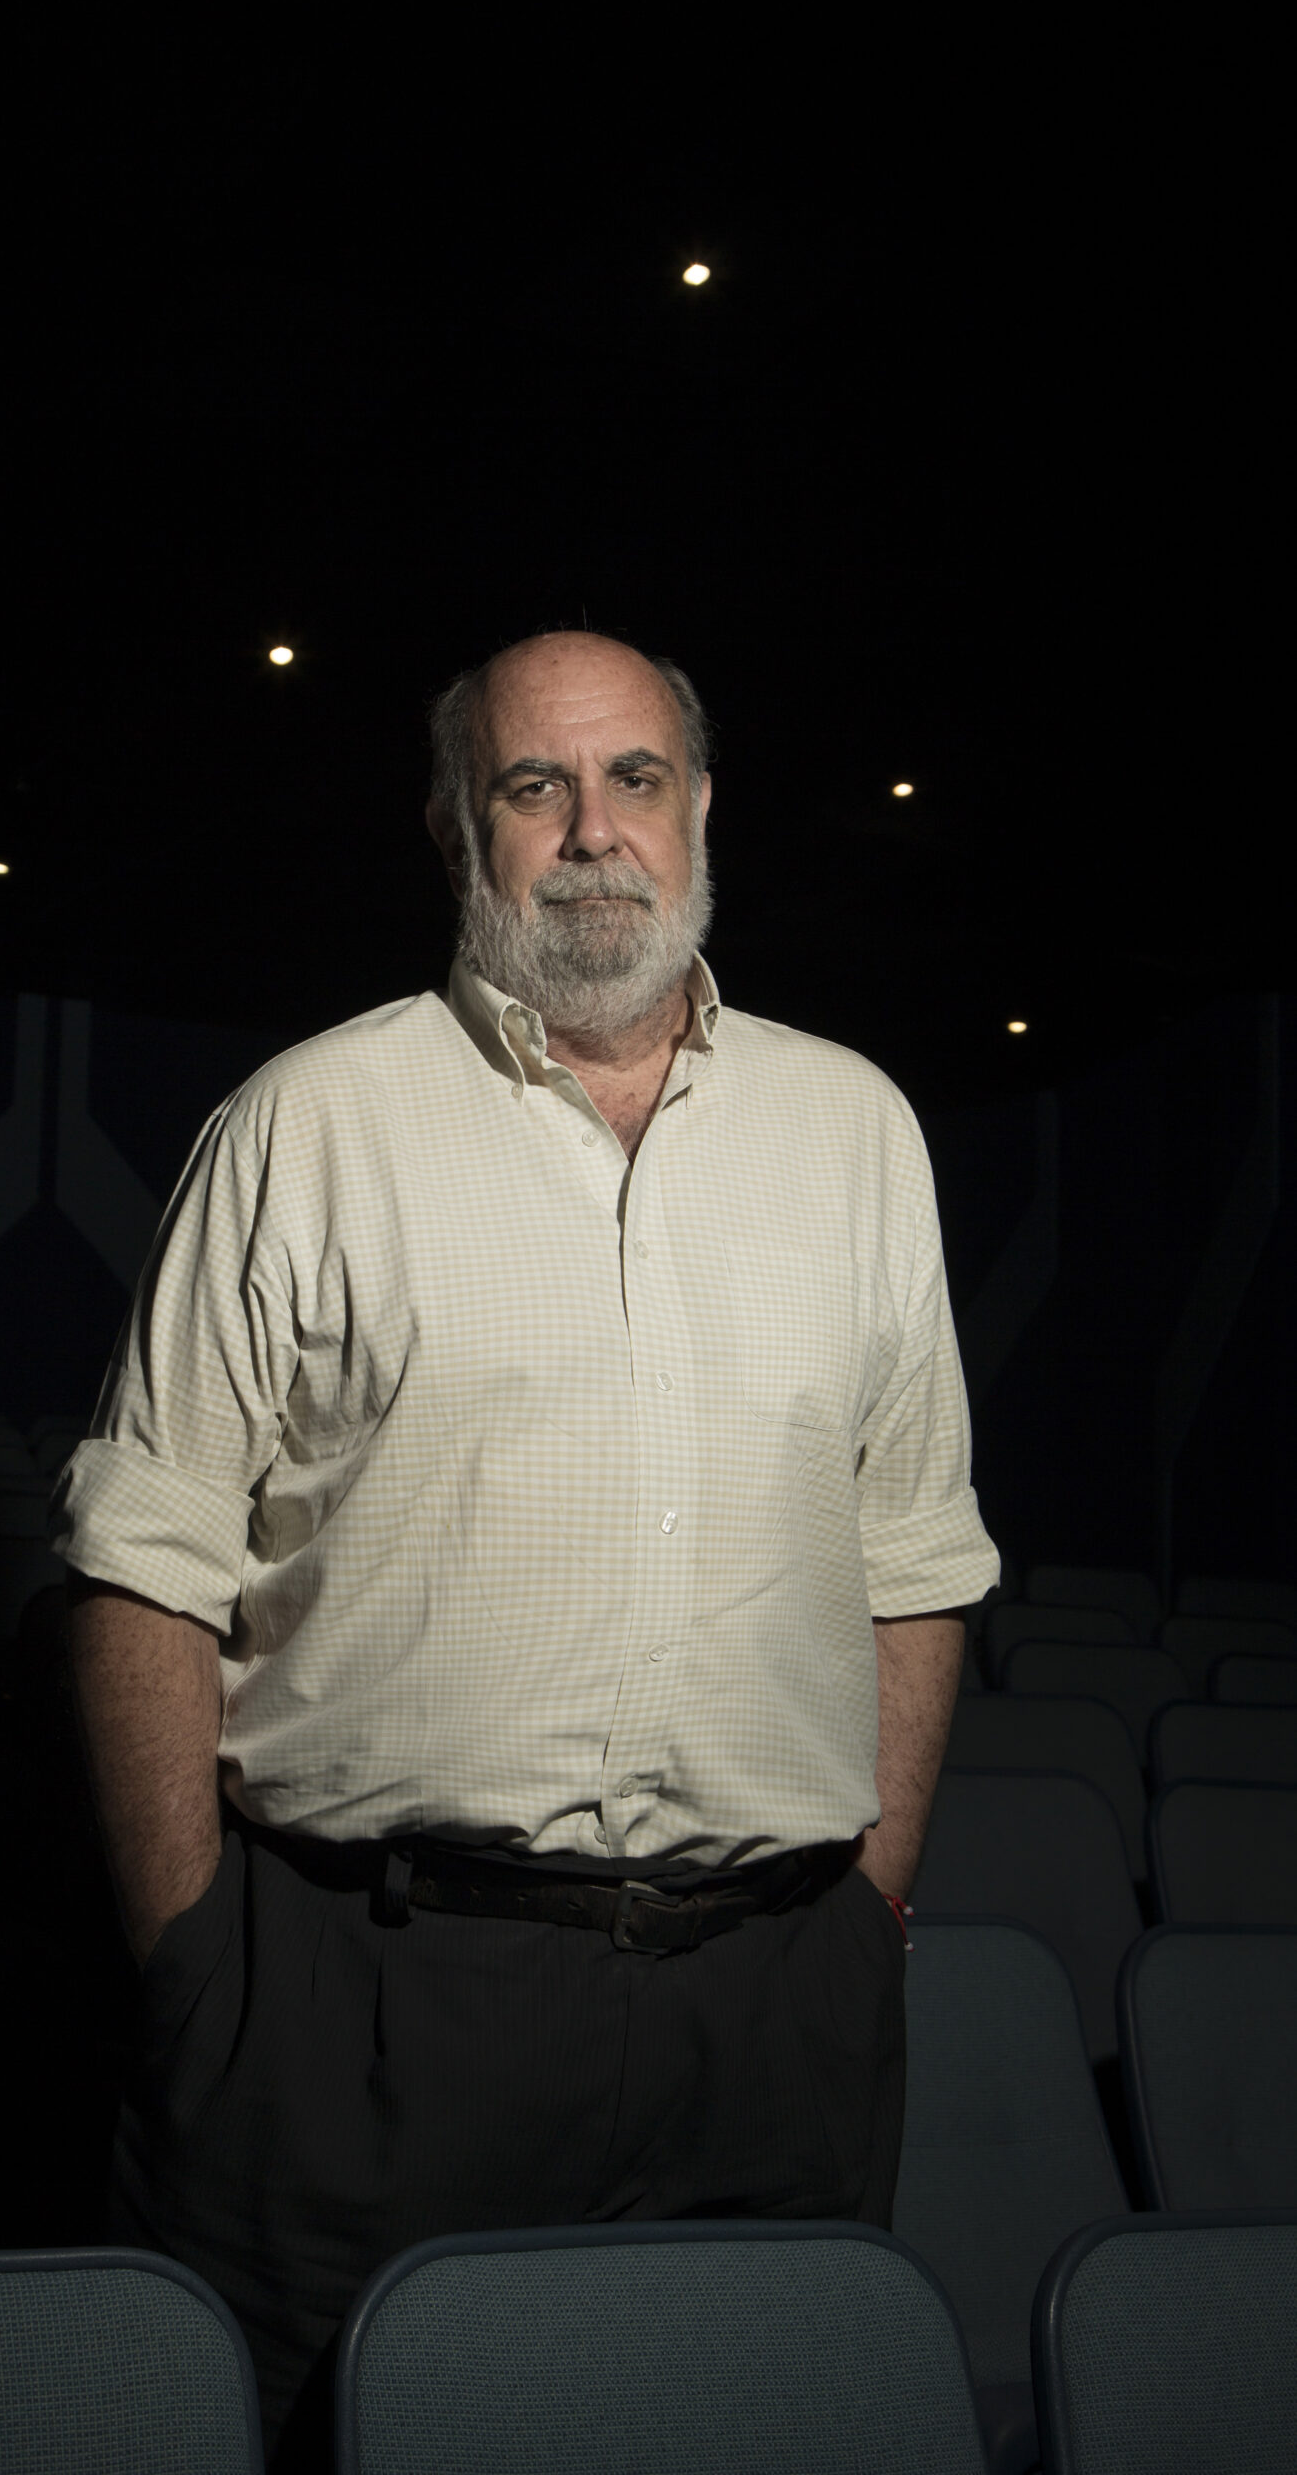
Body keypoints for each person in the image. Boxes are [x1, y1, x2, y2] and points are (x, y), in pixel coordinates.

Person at [55, 630, 998, 2469]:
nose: (591, 832)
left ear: (699, 807)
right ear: (453, 828)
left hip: (777, 2018)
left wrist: (863, 1921)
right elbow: (140, 1565)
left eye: (635, 778)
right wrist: (197, 1971)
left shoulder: (859, 1133)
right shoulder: (308, 1123)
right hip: (370, 2014)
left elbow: (914, 1556)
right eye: (532, 786)